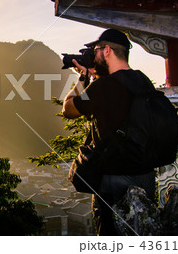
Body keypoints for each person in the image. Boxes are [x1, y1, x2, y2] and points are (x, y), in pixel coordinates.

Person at [62, 28, 156, 236]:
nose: (93, 56)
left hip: (114, 179)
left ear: (107, 51)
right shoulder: (143, 81)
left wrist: (82, 79)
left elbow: (68, 109)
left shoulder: (104, 86)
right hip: (146, 176)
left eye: (95, 50)